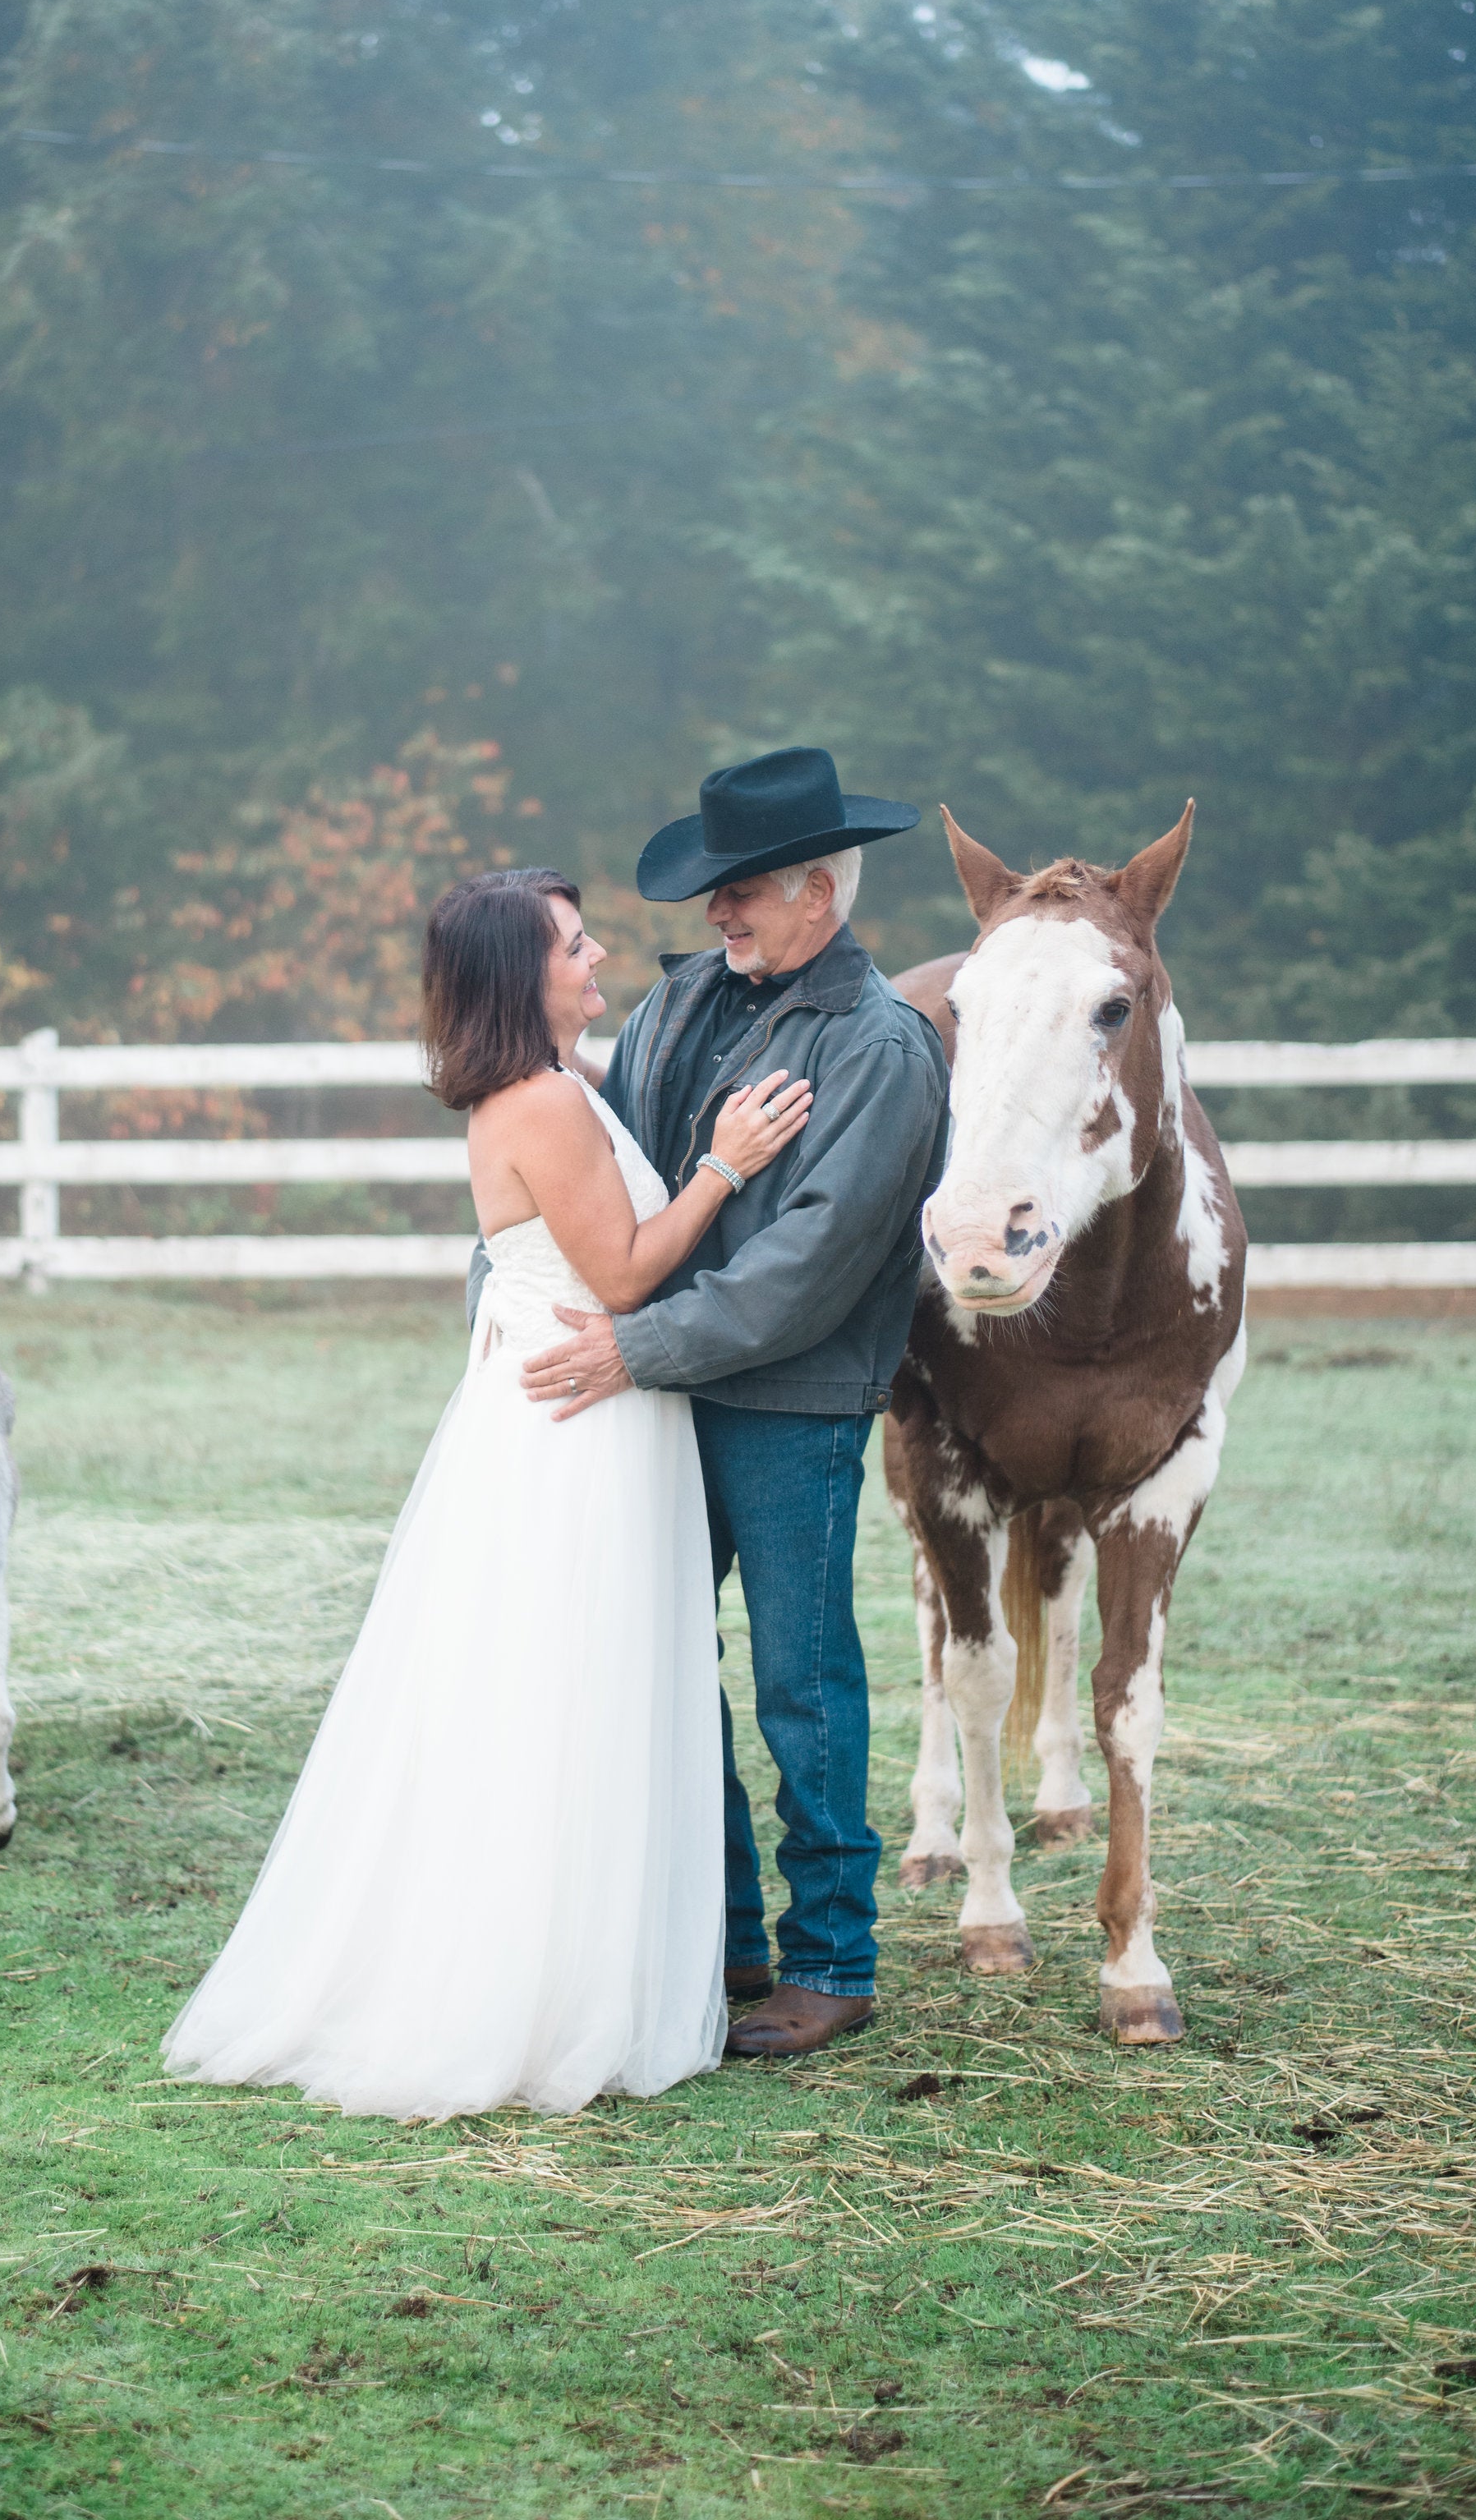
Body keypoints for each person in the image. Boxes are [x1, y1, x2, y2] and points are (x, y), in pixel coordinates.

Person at [163, 867, 812, 2121]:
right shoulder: (539, 1104)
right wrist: (725, 1167)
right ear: (527, 975)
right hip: (574, 1433)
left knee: (565, 1687)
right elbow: (622, 1278)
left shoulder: (564, 1088)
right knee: (564, 1690)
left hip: (577, 1412)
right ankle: (537, 1988)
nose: (599, 951)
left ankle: (583, 1964)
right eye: (576, 942)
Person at [515, 747, 950, 2059]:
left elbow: (805, 1273)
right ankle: (722, 1930)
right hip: (657, 1390)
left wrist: (636, 1348)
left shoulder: (881, 1051)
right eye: (715, 891)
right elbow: (626, 1175)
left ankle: (833, 1959)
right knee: (660, 1659)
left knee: (801, 1681)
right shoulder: (683, 1002)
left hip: (790, 1398)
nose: (717, 913)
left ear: (821, 892)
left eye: (743, 890)